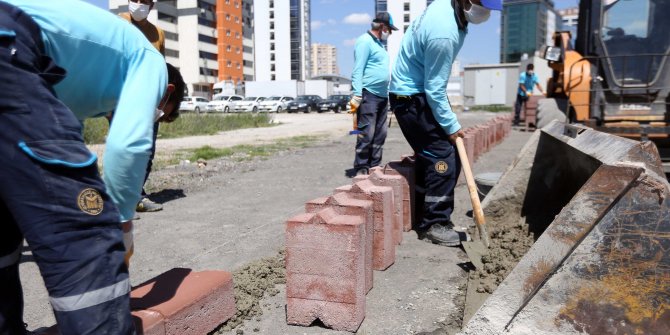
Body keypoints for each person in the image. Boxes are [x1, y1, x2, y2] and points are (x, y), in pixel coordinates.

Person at [0, 0, 183, 333]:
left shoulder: (88, 75)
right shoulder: (151, 62)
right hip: (10, 44)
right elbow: (128, 145)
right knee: (84, 230)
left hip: (14, 54)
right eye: (162, 112)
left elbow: (53, 135)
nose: (154, 115)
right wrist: (122, 222)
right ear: (167, 92)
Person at [389, 0, 502, 246]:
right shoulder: (444, 33)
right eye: (485, 6)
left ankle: (423, 212)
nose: (487, 14)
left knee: (438, 157)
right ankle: (433, 224)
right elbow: (434, 89)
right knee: (442, 157)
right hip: (412, 99)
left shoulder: (447, 7)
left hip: (416, 94)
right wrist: (452, 126)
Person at [120, 0, 167, 212]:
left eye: (144, 1)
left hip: (150, 99)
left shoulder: (158, 33)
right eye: (134, 0)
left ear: (151, 5)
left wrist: (161, 100)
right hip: (124, 98)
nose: (138, 4)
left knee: (147, 151)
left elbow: (161, 67)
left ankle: (135, 195)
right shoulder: (118, 24)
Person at [349, 12, 397, 176]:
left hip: (383, 95)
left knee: (380, 133)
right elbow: (358, 69)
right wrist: (357, 93)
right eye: (389, 29)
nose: (389, 33)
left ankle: (375, 166)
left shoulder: (379, 44)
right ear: (382, 26)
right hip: (368, 94)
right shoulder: (365, 41)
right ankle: (361, 167)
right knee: (366, 133)